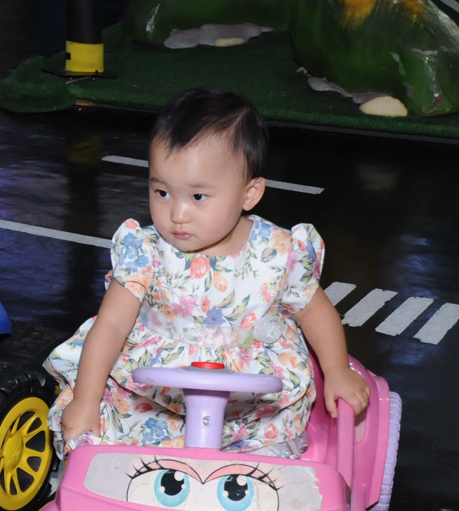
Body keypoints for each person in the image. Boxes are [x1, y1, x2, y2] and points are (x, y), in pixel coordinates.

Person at [47, 87, 370, 457]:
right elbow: (113, 324)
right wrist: (87, 402)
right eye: (162, 192)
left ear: (249, 194)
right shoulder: (147, 250)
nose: (177, 214)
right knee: (102, 444)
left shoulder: (278, 252)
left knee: (270, 468)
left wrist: (338, 371)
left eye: (198, 197)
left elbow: (314, 310)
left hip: (251, 407)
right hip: (154, 399)